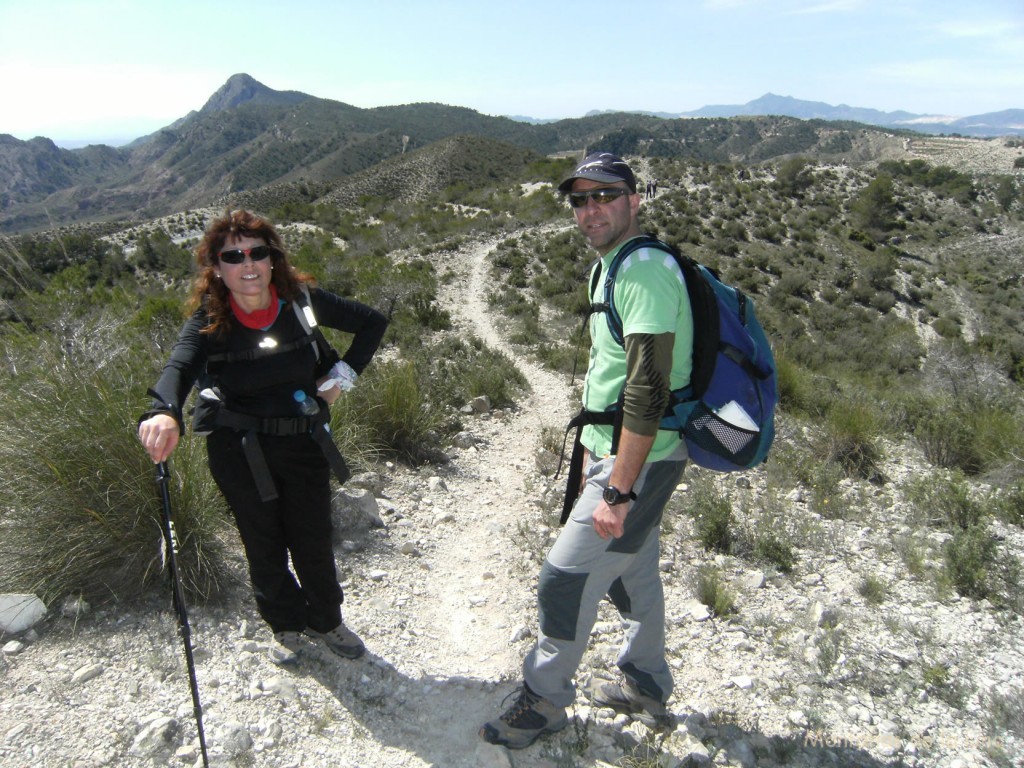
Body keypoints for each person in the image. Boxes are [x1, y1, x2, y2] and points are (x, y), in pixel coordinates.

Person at [480, 153, 693, 749]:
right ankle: (646, 683)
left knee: (563, 579)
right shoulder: (612, 265)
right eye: (580, 199)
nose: (591, 208)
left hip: (641, 459)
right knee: (633, 574)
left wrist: (619, 489)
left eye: (605, 195)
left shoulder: (643, 270)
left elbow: (648, 386)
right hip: (621, 452)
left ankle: (545, 700)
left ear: (634, 199)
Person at [138, 209, 388, 665]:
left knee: (312, 538)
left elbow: (372, 323)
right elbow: (179, 367)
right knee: (262, 542)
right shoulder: (209, 321)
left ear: (273, 259)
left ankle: (327, 621)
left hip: (303, 442)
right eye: (233, 255)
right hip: (239, 450)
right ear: (215, 266)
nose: (247, 265)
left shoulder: (302, 302)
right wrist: (163, 412)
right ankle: (286, 623)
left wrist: (342, 376)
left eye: (257, 253)